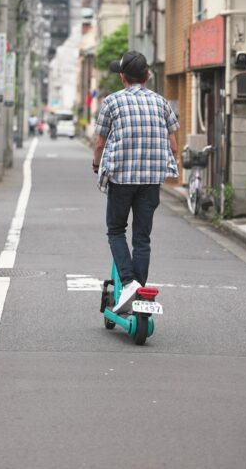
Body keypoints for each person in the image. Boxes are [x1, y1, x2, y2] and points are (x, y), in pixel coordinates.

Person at [92, 51, 179, 313]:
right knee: (142, 238)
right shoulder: (161, 103)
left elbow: (99, 143)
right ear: (148, 75)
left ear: (122, 77)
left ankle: (129, 283)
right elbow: (173, 146)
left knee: (116, 230)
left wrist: (97, 165)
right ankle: (140, 291)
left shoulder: (111, 102)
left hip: (121, 179)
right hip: (151, 180)